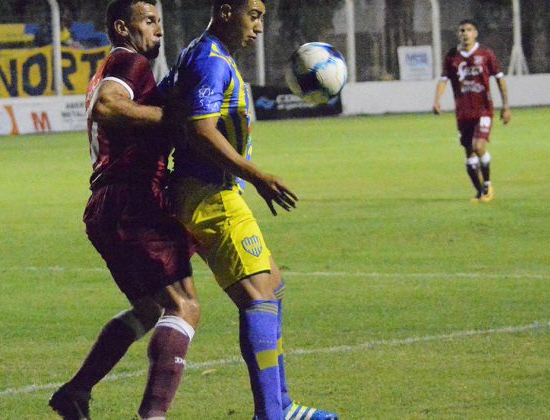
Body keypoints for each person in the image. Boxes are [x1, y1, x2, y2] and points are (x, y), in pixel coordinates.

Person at [158, 1, 338, 419]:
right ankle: (271, 414)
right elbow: (201, 132)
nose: (259, 26)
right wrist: (258, 176)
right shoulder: (210, 61)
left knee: (270, 287)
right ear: (225, 11)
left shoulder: (197, 53)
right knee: (259, 297)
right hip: (210, 194)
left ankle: (281, 405)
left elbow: (169, 107)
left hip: (209, 191)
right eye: (253, 14)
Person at [48, 1, 200, 419]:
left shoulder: (110, 67)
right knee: (184, 305)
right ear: (122, 28)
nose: (159, 31)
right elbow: (108, 107)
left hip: (106, 205)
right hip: (133, 200)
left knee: (150, 309)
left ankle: (76, 391)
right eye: (149, 22)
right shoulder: (128, 61)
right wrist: (170, 117)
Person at [433, 19, 511, 202]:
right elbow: (443, 80)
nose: (465, 33)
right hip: (463, 112)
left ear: (475, 33)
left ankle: (488, 185)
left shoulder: (485, 54)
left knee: (479, 146)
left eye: (469, 30)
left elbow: (500, 79)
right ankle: (479, 191)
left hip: (483, 110)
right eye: (462, 30)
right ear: (458, 34)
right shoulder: (452, 56)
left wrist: (506, 105)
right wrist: (437, 100)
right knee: (469, 152)